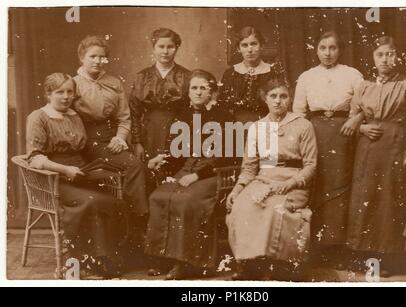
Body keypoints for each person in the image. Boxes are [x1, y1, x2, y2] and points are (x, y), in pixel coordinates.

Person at [26, 73, 125, 279]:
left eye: (70, 91)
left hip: (81, 173)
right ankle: (79, 264)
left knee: (112, 201)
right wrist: (65, 170)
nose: (66, 96)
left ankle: (103, 261)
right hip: (54, 178)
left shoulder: (74, 115)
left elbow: (84, 150)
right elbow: (36, 158)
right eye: (59, 92)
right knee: (92, 202)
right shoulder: (38, 117)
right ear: (48, 94)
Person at [347, 36, 406, 276]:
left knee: (388, 201)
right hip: (367, 149)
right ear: (373, 58)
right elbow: (354, 116)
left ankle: (388, 259)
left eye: (390, 54)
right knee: (366, 198)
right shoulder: (364, 86)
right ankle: (365, 256)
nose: (385, 59)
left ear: (397, 56)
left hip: (394, 146)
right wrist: (362, 128)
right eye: (380, 54)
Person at [226, 78, 318, 280]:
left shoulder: (303, 125)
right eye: (273, 96)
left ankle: (282, 266)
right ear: (265, 99)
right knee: (242, 206)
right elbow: (249, 168)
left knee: (275, 210)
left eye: (283, 96)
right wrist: (237, 189)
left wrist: (290, 183)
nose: (278, 101)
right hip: (263, 180)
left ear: (290, 99)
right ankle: (251, 265)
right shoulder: (257, 128)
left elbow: (310, 165)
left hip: (293, 182)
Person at [144, 70, 225, 280]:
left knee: (186, 200)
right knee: (158, 197)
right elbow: (177, 151)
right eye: (194, 88)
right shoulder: (183, 115)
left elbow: (227, 156)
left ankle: (187, 262)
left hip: (211, 173)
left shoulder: (223, 115)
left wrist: (198, 175)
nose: (198, 92)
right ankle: (162, 258)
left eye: (203, 88)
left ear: (212, 92)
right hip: (187, 169)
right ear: (188, 92)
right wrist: (163, 159)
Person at [292, 31, 363, 266]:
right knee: (317, 183)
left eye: (332, 48)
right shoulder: (307, 77)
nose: (328, 53)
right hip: (315, 132)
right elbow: (299, 112)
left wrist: (355, 119)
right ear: (316, 50)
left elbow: (365, 105)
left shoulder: (353, 75)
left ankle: (339, 246)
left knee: (341, 185)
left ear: (339, 50)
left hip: (345, 133)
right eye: (323, 48)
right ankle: (316, 247)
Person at [72, 35, 149, 249]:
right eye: (92, 56)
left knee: (136, 166)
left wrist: (120, 138)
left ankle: (136, 224)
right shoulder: (73, 84)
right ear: (82, 58)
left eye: (102, 57)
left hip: (112, 140)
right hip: (86, 141)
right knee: (129, 168)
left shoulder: (114, 83)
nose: (97, 61)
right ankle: (133, 226)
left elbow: (124, 117)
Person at [129, 28, 191, 168]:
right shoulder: (142, 76)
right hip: (150, 132)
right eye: (161, 46)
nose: (165, 51)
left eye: (170, 47)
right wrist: (137, 142)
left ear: (176, 48)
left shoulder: (187, 76)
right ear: (153, 48)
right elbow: (134, 113)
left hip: (178, 130)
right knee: (150, 170)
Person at [218, 26, 286, 124]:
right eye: (244, 45)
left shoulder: (273, 72)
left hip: (266, 124)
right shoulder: (230, 74)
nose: (250, 50)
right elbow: (223, 106)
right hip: (235, 126)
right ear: (238, 48)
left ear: (261, 46)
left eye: (254, 44)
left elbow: (281, 104)